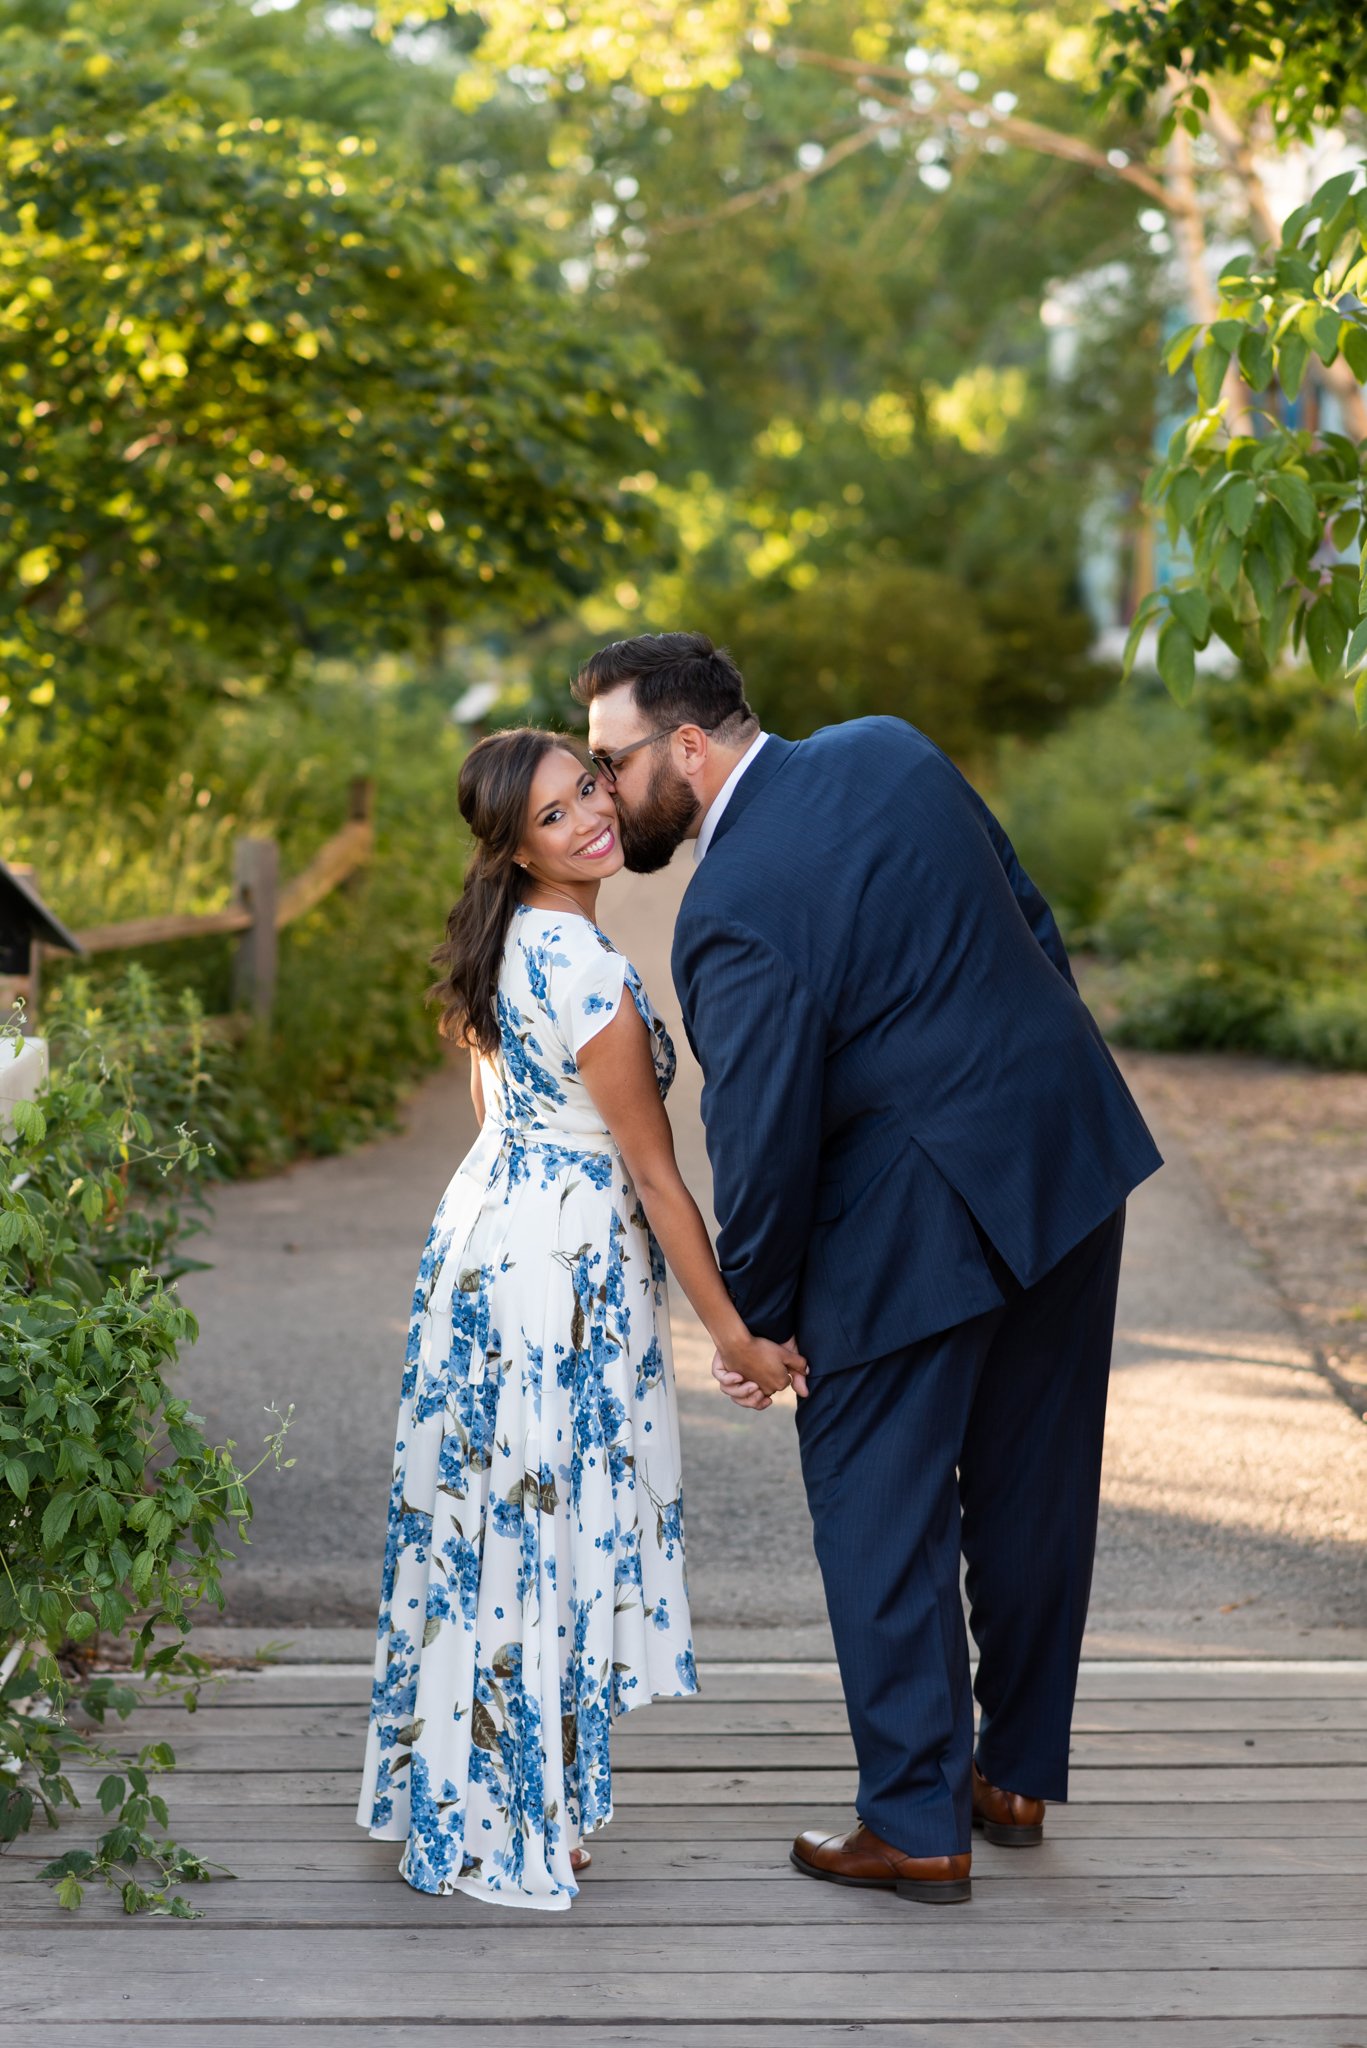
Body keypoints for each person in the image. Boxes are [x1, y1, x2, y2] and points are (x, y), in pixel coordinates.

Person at [575, 631, 1162, 1906]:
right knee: (1032, 1483)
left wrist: (757, 1322)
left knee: (876, 1505)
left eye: (609, 761)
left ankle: (914, 1820)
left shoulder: (727, 910)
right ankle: (1009, 1775)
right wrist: (1027, 1084)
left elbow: (764, 1141)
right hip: (1063, 1153)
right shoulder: (887, 748)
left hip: (910, 1223)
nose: (602, 789)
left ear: (686, 745)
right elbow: (1029, 919)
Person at [356, 727, 803, 1911]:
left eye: (589, 785)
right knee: (544, 1524)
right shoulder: (590, 970)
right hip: (558, 1269)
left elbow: (491, 1097)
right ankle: (521, 1798)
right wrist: (735, 1334)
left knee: (490, 1515)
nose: (592, 816)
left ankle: (478, 1781)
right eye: (555, 814)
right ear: (515, 844)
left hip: (483, 1240)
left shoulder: (499, 941)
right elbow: (656, 1179)